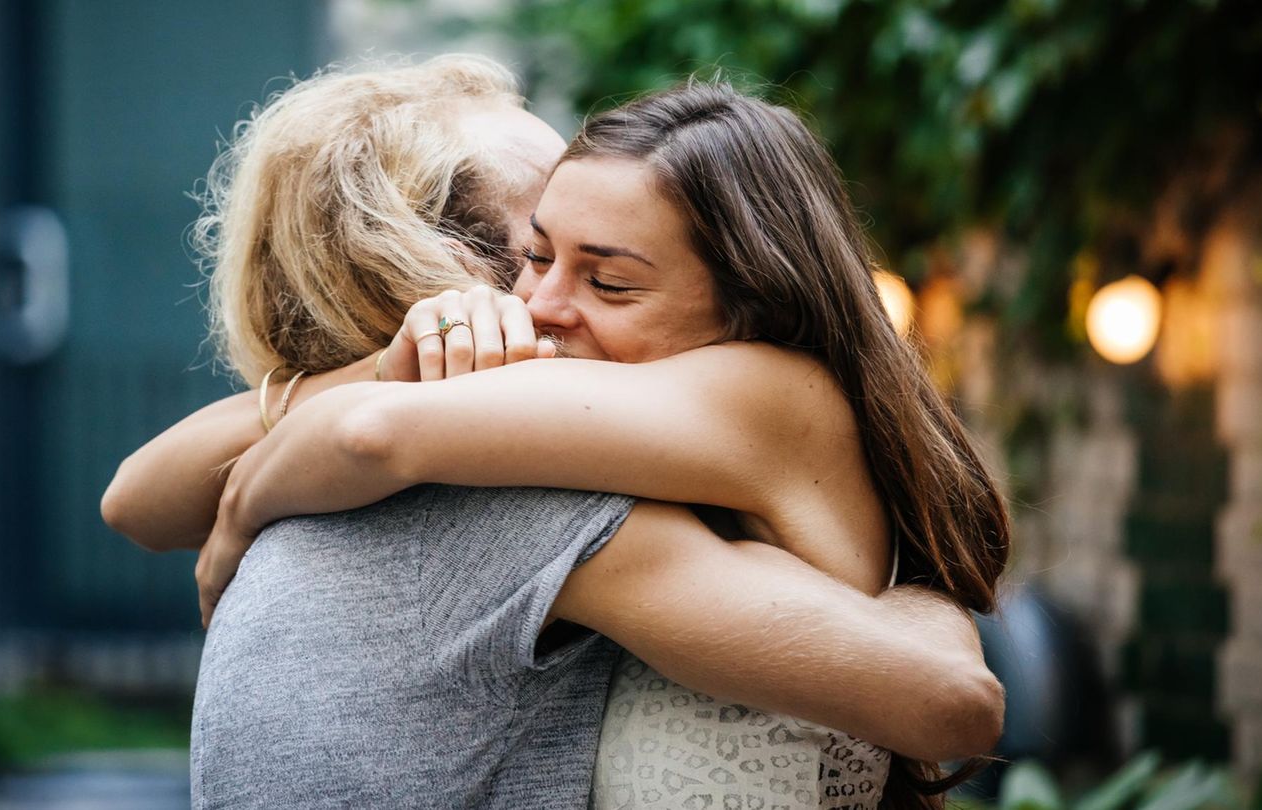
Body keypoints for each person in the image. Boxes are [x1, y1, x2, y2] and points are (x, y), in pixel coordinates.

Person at [103, 57, 1004, 809]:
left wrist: (243, 507)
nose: (539, 303)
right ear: (448, 267)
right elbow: (138, 497)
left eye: (607, 279)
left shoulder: (742, 394)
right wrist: (388, 366)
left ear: (751, 297)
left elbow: (368, 434)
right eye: (533, 252)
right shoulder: (540, 474)